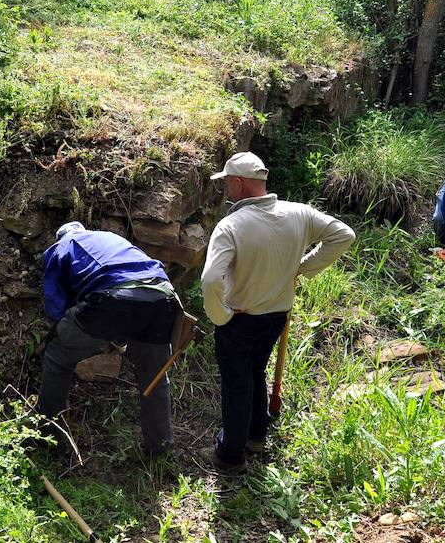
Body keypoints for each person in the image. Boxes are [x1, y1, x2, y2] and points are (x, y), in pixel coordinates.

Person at [200, 152, 355, 473]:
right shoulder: (298, 213)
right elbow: (344, 235)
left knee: (237, 382)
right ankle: (256, 436)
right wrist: (301, 268)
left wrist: (220, 315)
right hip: (277, 314)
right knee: (255, 371)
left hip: (239, 318)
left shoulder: (230, 226)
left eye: (227, 182)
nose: (226, 188)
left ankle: (231, 455)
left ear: (239, 183)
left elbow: (211, 278)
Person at [37, 221, 180, 456]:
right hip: (162, 297)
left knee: (57, 355)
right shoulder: (110, 239)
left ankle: (47, 437)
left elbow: (56, 305)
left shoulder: (63, 246)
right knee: (154, 376)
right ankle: (161, 449)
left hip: (115, 297)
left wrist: (67, 330)